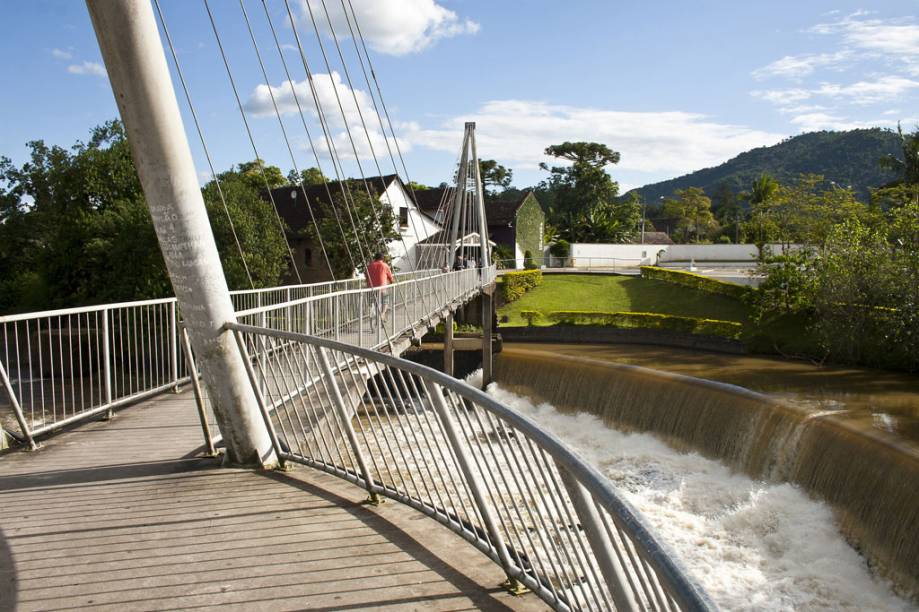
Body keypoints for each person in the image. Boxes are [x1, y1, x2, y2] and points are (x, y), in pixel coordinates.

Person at [366, 252, 394, 329]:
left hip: (371, 289)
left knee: (375, 304)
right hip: (382, 289)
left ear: (375, 258)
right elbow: (391, 278)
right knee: (385, 301)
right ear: (382, 258)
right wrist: (392, 282)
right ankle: (382, 314)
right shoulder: (385, 265)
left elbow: (367, 277)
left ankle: (376, 316)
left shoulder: (369, 266)